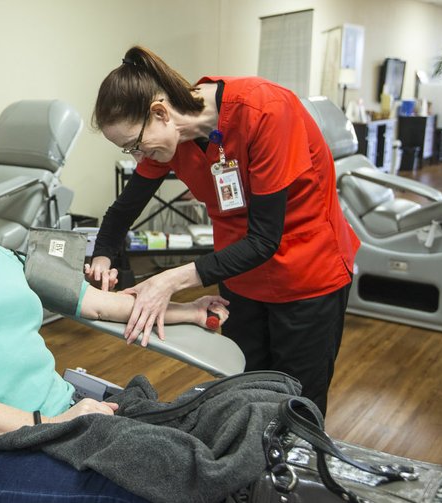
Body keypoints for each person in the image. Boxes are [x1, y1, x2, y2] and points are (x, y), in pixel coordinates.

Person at [0, 146, 230, 502]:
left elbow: (93, 303)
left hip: (67, 420)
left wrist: (188, 310)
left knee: (211, 441)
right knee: (150, 490)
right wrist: (49, 423)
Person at [85, 45, 360, 416]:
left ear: (161, 113)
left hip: (307, 275)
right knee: (246, 396)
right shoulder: (171, 141)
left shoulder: (265, 111)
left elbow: (264, 238)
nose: (138, 158)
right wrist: (102, 255)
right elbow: (123, 211)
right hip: (240, 276)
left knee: (297, 405)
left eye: (135, 145)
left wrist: (168, 281)